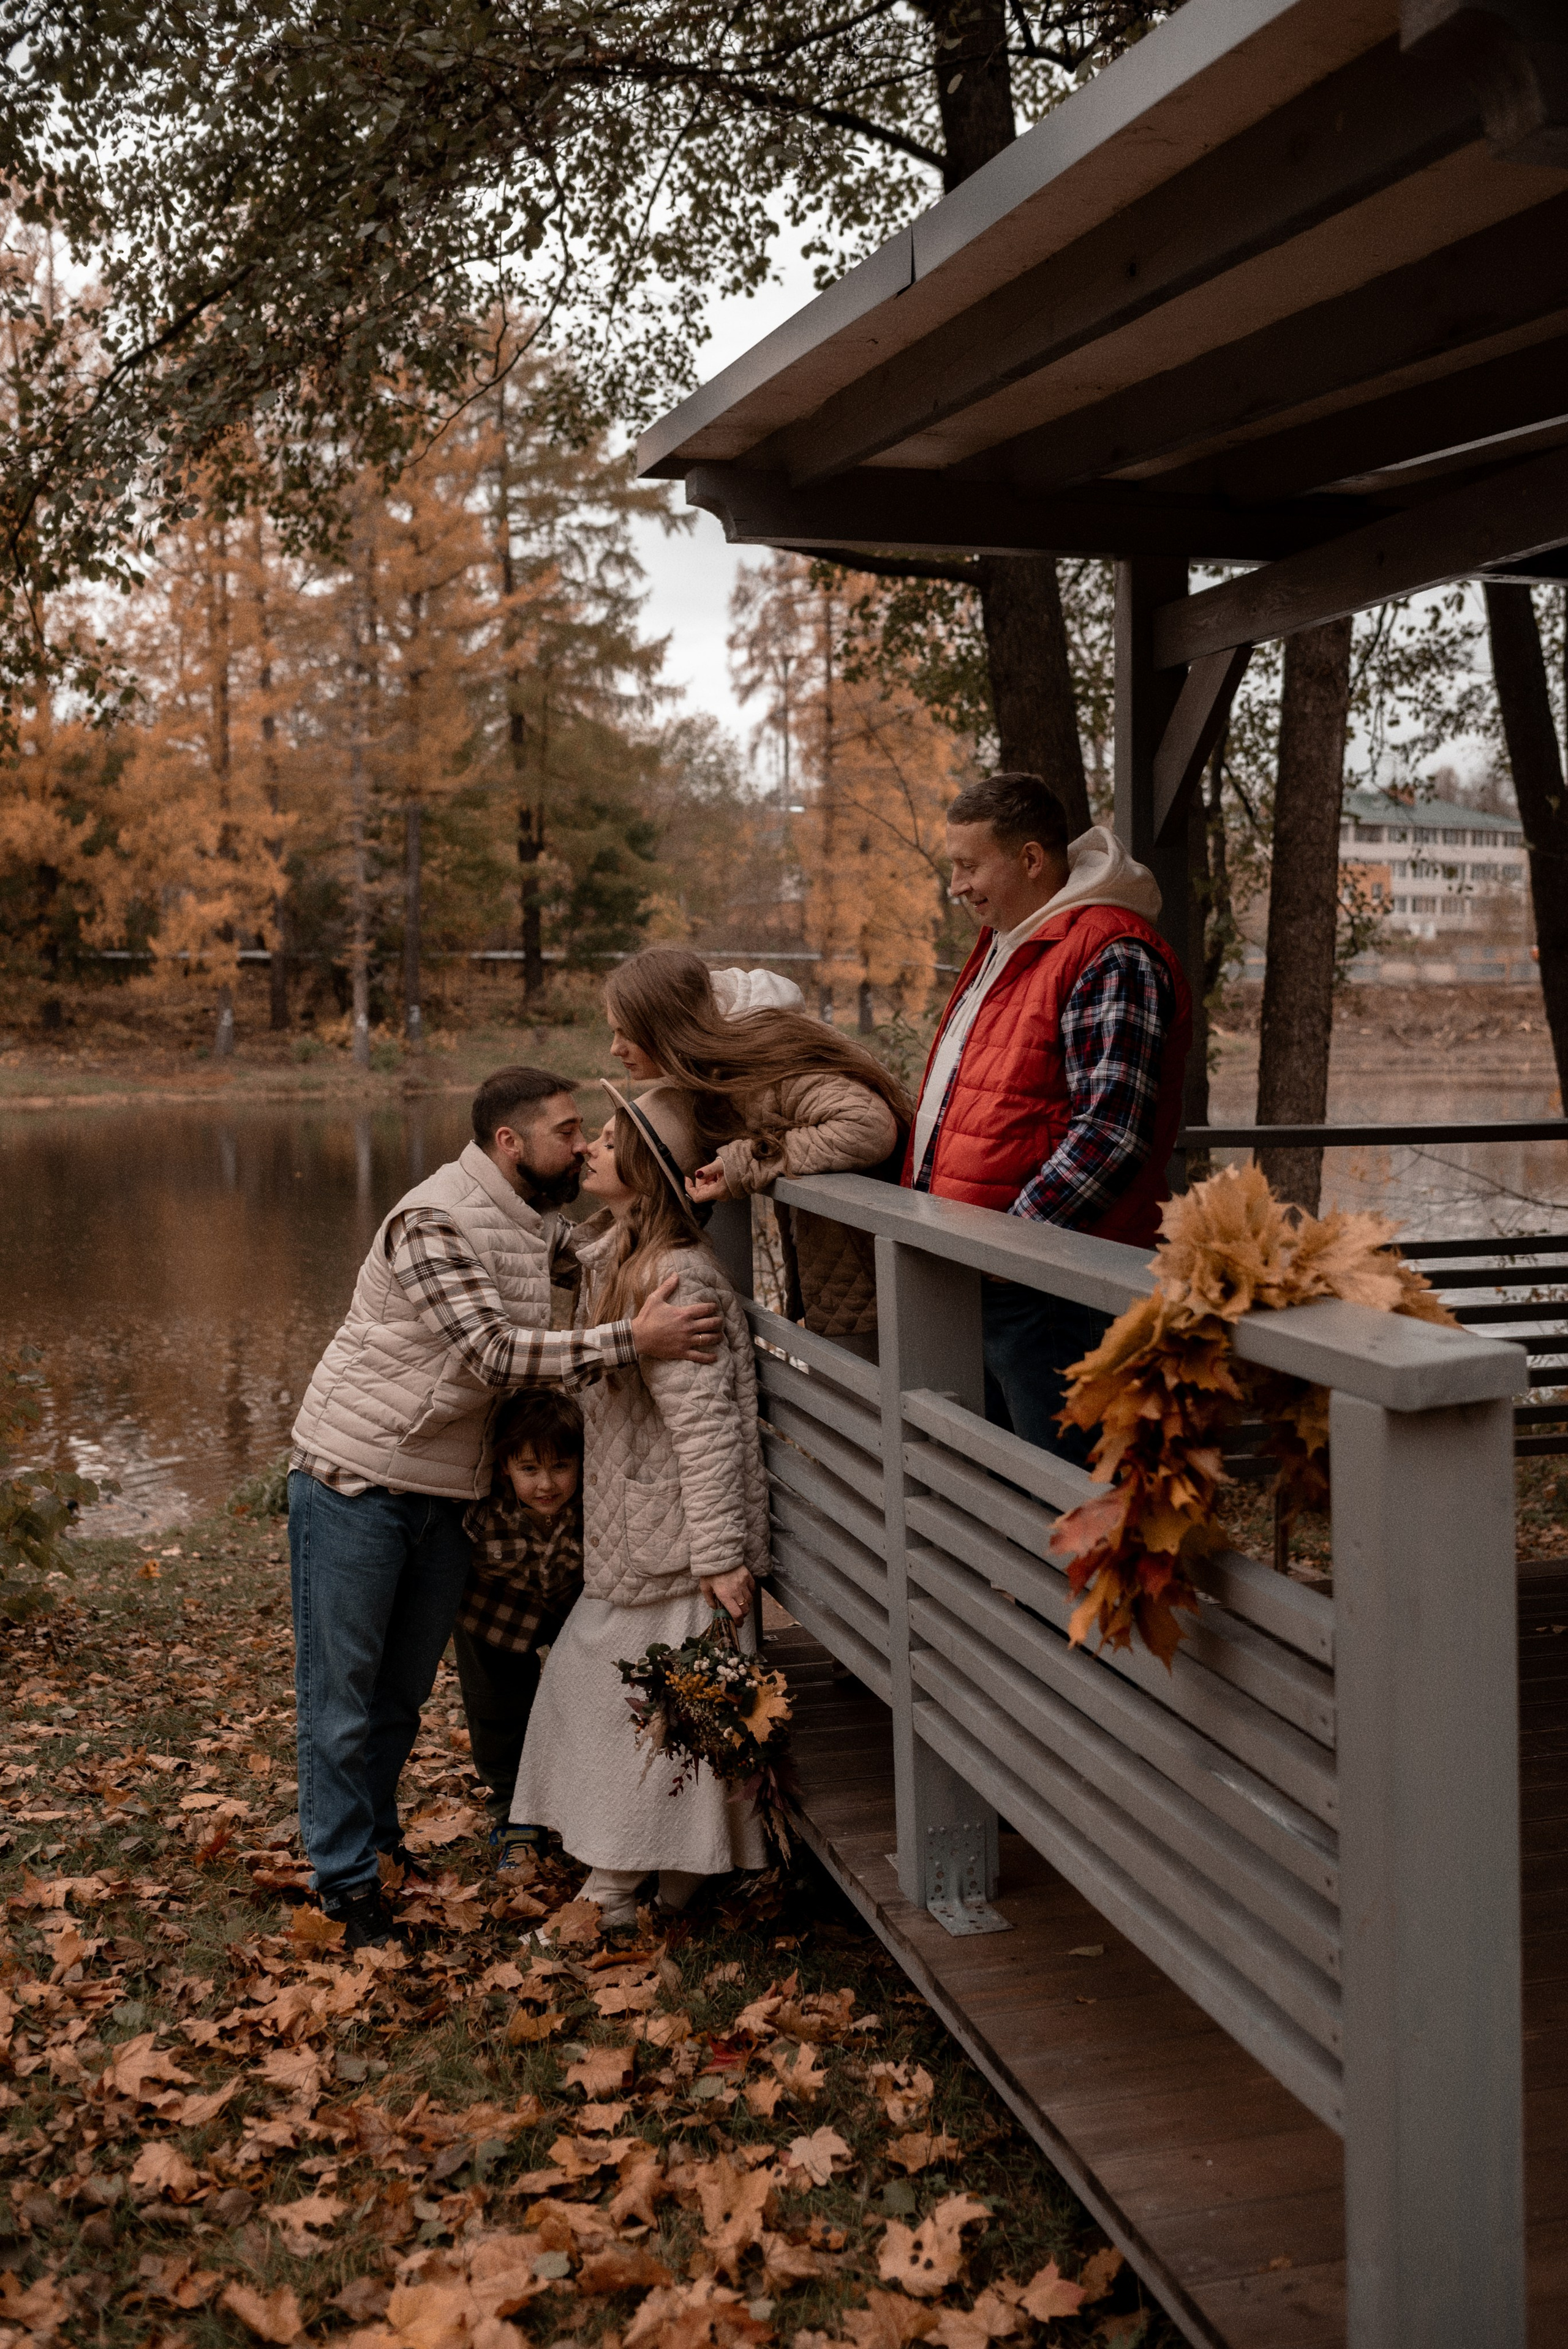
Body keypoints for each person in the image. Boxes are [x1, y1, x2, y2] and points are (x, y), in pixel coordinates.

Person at [287, 1065, 722, 1950]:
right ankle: (342, 1885)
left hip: (444, 1490)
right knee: (343, 1698)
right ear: (510, 1143)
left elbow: (616, 1246)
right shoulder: (433, 1219)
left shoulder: (533, 1226)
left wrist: (705, 1181)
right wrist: (632, 1339)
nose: (585, 1142)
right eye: (570, 1130)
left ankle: (376, 1844)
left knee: (401, 1697)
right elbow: (492, 1351)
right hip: (356, 1480)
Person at [510, 1080, 769, 1928]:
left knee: (630, 1703)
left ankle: (615, 1887)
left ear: (649, 1176)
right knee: (635, 1700)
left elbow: (706, 1427)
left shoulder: (675, 1276)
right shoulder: (619, 1253)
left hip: (679, 1543)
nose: (590, 1148)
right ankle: (679, 1877)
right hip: (642, 1531)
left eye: (611, 1140)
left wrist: (722, 1555)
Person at [905, 773, 1191, 1463]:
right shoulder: (1008, 942)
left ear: (1031, 859)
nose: (955, 885)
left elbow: (1111, 1132)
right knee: (1000, 1490)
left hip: (1050, 1288)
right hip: (988, 1274)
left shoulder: (1109, 951)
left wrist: (1013, 1246)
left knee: (1067, 1498)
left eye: (968, 865)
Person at [605, 946, 910, 1344]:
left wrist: (747, 1162)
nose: (615, 1047)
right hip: (850, 1266)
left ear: (665, 1025)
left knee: (871, 1400)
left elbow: (866, 1125)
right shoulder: (728, 1064)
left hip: (879, 1267)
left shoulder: (763, 1061)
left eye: (626, 1031)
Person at [453, 1386, 584, 1864]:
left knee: (582, 1701)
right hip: (492, 1616)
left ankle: (577, 1802)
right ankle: (514, 1815)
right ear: (506, 1466)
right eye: (529, 1469)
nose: (546, 1484)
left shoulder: (592, 1506)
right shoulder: (482, 1504)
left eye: (560, 1466)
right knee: (499, 1713)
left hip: (569, 1604)